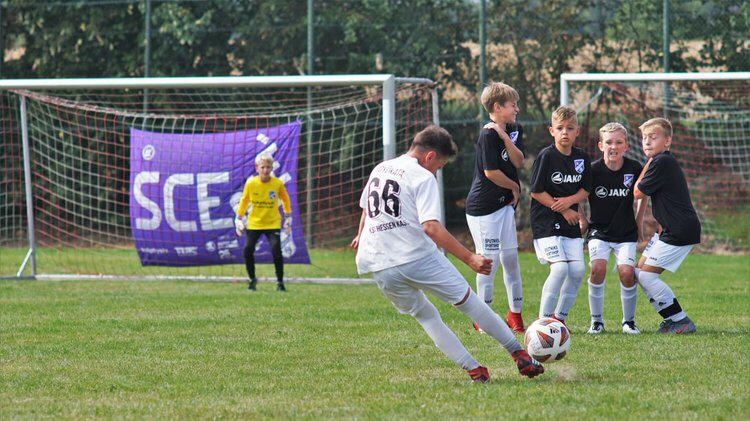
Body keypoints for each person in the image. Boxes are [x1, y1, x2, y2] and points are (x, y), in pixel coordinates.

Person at [350, 125, 544, 382]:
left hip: (378, 263)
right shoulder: (422, 176)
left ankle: (475, 370)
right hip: (415, 256)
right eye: (439, 166)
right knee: (470, 303)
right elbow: (430, 226)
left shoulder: (381, 168)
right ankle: (519, 355)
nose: (436, 171)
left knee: (425, 315)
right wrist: (469, 258)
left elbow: (366, 209)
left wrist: (360, 235)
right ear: (430, 156)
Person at [465, 82, 526, 333]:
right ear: (498, 107)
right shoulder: (486, 135)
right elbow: (491, 173)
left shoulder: (513, 130)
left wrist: (504, 135)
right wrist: (514, 187)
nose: (517, 109)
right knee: (488, 262)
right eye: (513, 105)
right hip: (483, 208)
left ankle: (515, 315)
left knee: (510, 259)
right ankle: (483, 318)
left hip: (504, 206)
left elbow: (519, 161)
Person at [633, 117, 698, 334]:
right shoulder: (659, 161)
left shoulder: (661, 162)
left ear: (667, 141)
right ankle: (671, 319)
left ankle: (680, 320)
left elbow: (638, 192)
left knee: (646, 275)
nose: (647, 141)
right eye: (644, 137)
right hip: (668, 230)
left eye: (653, 137)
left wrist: (648, 164)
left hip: (680, 230)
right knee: (639, 271)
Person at [579, 122, 646, 334]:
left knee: (627, 273)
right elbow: (576, 194)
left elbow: (643, 194)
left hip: (625, 232)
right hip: (599, 231)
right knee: (597, 269)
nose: (613, 147)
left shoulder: (634, 168)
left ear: (626, 146)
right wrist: (582, 219)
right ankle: (596, 322)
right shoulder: (592, 170)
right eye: (609, 142)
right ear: (601, 145)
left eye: (618, 142)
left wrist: (639, 220)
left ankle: (629, 322)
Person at [529, 105, 591, 325]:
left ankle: (559, 319)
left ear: (577, 132)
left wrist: (571, 203)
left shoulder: (582, 158)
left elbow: (585, 189)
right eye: (560, 128)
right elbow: (536, 191)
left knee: (577, 270)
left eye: (570, 128)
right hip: (546, 222)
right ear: (551, 131)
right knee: (560, 268)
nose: (565, 132)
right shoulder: (546, 156)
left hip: (570, 222)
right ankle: (543, 322)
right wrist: (564, 209)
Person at [235, 153, 292, 292]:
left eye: (268, 167)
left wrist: (288, 215)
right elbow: (244, 200)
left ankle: (280, 282)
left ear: (272, 168)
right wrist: (238, 217)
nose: (265, 170)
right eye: (262, 167)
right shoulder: (251, 183)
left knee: (276, 250)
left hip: (272, 223)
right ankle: (252, 279)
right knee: (247, 249)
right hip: (254, 223)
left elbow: (285, 198)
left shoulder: (277, 183)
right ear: (257, 168)